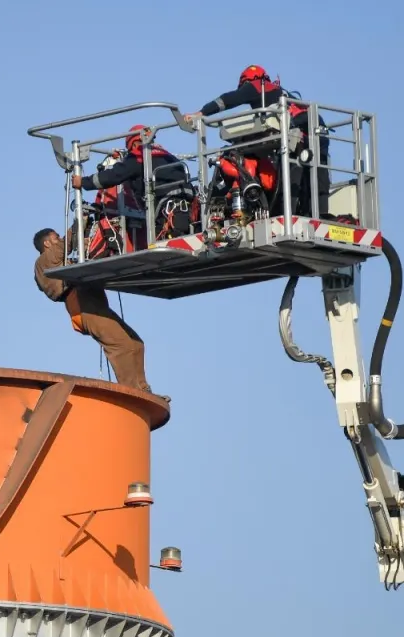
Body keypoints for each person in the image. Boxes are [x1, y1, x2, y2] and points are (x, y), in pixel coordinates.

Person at [186, 65, 331, 217]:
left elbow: (228, 99)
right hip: (317, 127)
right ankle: (319, 213)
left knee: (291, 174)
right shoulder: (278, 91)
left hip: (296, 129)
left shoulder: (256, 85)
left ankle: (288, 214)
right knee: (316, 171)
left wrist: (201, 113)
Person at [32, 227, 159, 396]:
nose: (59, 240)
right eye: (56, 238)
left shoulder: (59, 262)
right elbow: (66, 244)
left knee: (135, 344)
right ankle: (132, 392)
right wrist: (79, 224)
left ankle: (142, 389)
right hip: (83, 307)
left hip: (94, 306)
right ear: (47, 243)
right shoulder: (43, 261)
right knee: (122, 345)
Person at [71, 125, 196, 242]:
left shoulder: (138, 156)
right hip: (187, 212)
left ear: (134, 144)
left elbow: (113, 176)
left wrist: (83, 182)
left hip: (166, 214)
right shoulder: (167, 155)